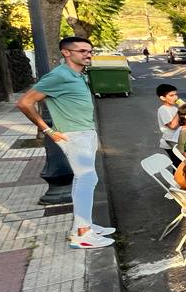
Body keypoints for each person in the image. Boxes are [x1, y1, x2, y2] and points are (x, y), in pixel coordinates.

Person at [16, 36, 115, 249]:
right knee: (87, 178)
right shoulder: (59, 76)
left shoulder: (78, 75)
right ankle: (83, 235)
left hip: (85, 132)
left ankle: (84, 226)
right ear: (66, 52)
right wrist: (47, 130)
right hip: (74, 135)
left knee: (84, 179)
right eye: (82, 51)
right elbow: (24, 102)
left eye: (90, 51)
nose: (88, 54)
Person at [156, 83, 183, 165]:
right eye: (171, 95)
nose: (175, 97)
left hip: (177, 139)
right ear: (163, 98)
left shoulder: (174, 108)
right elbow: (173, 126)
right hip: (170, 141)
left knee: (180, 163)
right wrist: (180, 110)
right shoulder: (163, 109)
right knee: (179, 163)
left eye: (175, 95)